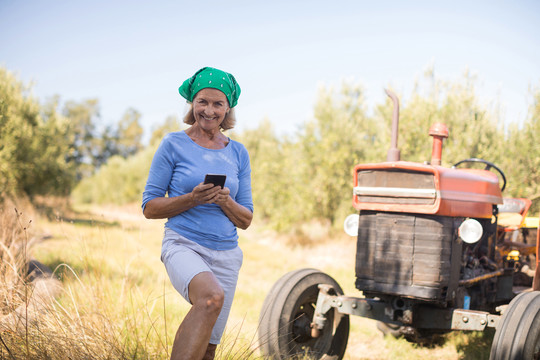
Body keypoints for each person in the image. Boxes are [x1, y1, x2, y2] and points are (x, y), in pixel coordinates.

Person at [142, 67, 253, 360]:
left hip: (227, 255)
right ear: (192, 104)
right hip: (184, 244)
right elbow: (149, 207)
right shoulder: (173, 144)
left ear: (228, 109)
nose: (209, 110)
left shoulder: (238, 153)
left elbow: (246, 219)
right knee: (210, 298)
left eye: (218, 103)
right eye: (202, 101)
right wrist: (191, 199)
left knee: (209, 349)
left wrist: (225, 201)